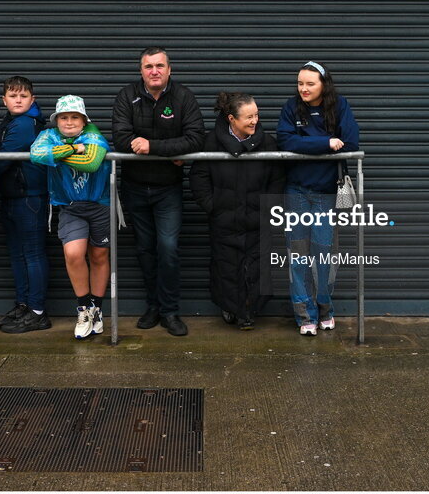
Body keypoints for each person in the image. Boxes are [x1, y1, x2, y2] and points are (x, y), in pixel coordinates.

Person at [111, 47, 205, 337]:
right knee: (145, 250)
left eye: (160, 66)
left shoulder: (183, 97)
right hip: (135, 187)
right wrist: (171, 148)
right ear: (141, 71)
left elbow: (195, 137)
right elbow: (122, 137)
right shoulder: (127, 96)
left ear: (169, 69)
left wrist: (155, 148)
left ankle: (170, 311)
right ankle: (153, 306)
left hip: (168, 189)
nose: (154, 71)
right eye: (148, 66)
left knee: (168, 249)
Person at [189, 92, 286, 330]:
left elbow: (278, 177)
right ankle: (231, 308)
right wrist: (213, 206)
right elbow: (199, 177)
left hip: (257, 219)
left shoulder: (268, 143)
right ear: (231, 119)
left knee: (256, 266)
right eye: (249, 117)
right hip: (224, 218)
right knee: (226, 266)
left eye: (257, 115)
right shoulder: (211, 142)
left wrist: (269, 208)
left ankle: (250, 311)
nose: (255, 121)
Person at [277, 61, 360, 336]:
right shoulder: (291, 107)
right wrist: (325, 143)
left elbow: (351, 141)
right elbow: (286, 141)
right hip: (297, 191)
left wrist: (312, 143)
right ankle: (304, 316)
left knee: (324, 254)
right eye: (300, 83)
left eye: (310, 84)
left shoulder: (340, 106)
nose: (304, 88)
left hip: (326, 193)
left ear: (324, 84)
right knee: (298, 255)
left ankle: (325, 308)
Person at [30, 95, 112, 340]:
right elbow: (36, 154)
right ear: (57, 120)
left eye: (74, 117)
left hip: (99, 205)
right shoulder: (49, 135)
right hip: (70, 206)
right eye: (63, 117)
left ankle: (97, 309)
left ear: (83, 120)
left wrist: (56, 156)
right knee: (74, 254)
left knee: (99, 255)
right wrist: (73, 148)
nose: (68, 122)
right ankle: (84, 308)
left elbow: (92, 162)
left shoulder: (93, 133)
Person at [0, 76, 52, 334]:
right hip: (13, 196)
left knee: (33, 254)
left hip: (30, 198)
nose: (18, 100)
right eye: (13, 95)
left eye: (23, 96)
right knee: (18, 255)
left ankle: (37, 312)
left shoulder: (26, 124)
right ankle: (24, 304)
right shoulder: (12, 121)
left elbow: (1, 161)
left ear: (32, 99)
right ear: (3, 100)